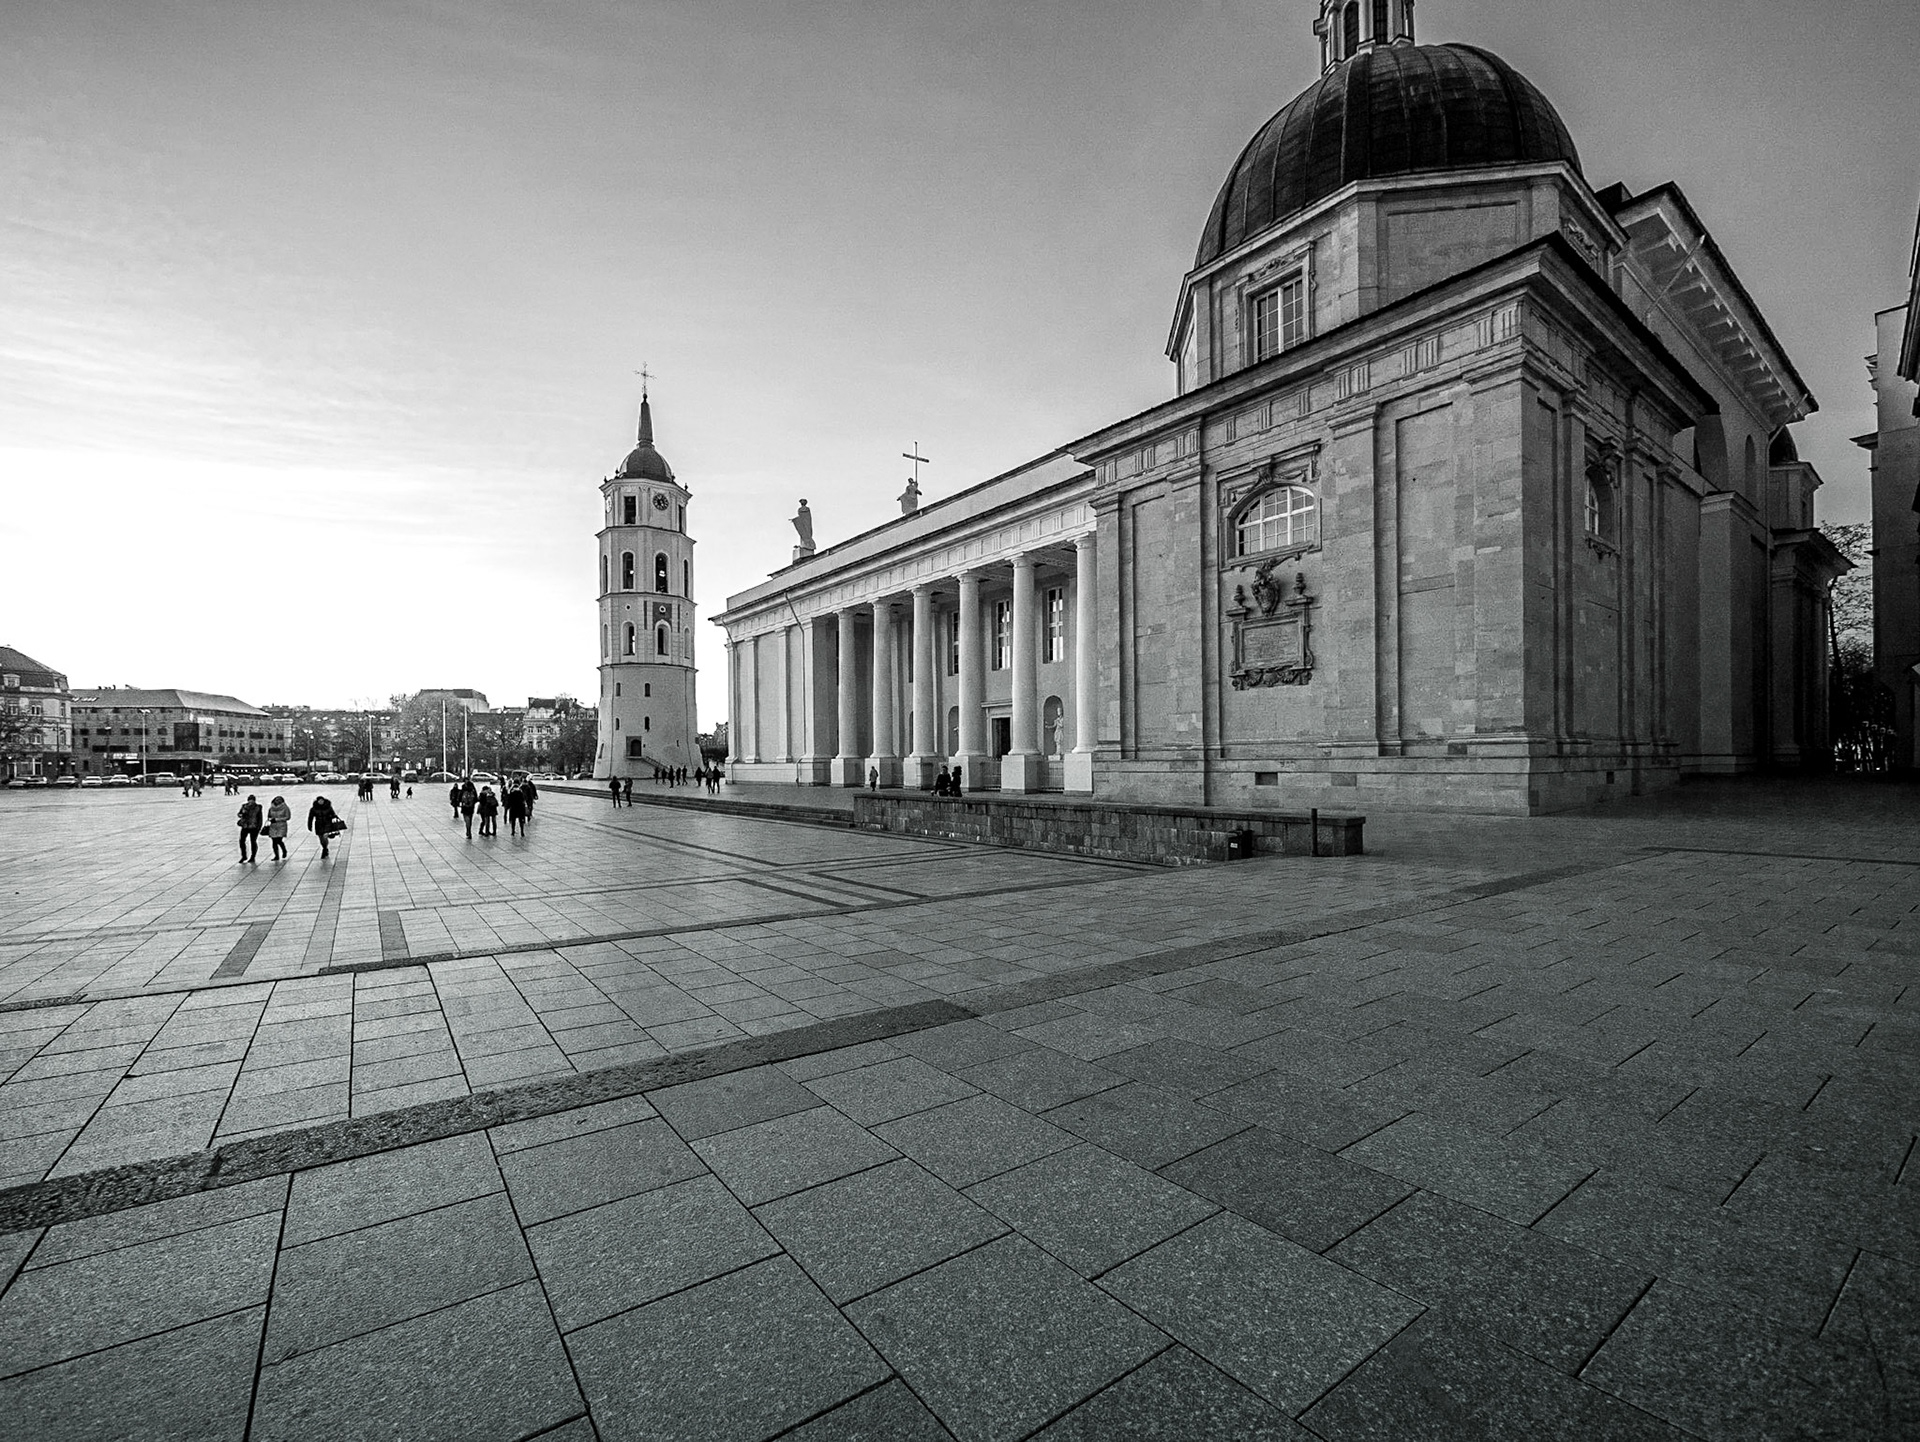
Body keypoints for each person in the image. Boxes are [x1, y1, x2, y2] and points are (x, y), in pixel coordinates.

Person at [308, 793, 341, 859]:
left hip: (327, 824)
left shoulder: (328, 807)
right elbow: (310, 817)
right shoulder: (314, 809)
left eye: (322, 800)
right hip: (318, 825)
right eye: (319, 801)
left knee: (325, 837)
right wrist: (309, 825)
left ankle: (324, 850)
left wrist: (336, 821)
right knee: (321, 839)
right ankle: (325, 848)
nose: (321, 802)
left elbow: (333, 814)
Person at [236, 794, 263, 864]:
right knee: (241, 841)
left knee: (253, 841)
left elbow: (260, 818)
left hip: (254, 826)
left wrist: (259, 827)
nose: (251, 802)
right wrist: (241, 814)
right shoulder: (244, 806)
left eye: (252, 800)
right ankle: (244, 856)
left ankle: (253, 856)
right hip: (245, 826)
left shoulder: (258, 807)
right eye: (250, 800)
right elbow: (239, 814)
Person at [265, 795, 292, 861]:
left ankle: (284, 850)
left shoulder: (285, 808)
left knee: (279, 840)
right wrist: (270, 819)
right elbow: (269, 816)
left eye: (279, 800)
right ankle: (276, 855)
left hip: (281, 825)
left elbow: (288, 817)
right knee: (274, 841)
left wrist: (277, 819)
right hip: (273, 826)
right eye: (276, 800)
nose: (277, 801)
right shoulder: (271, 808)